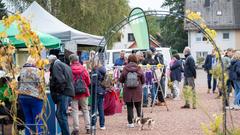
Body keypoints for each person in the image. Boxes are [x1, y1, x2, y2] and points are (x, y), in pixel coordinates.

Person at [48, 55, 75, 135]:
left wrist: (58, 92)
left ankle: (66, 133)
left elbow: (60, 81)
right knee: (61, 114)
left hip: (64, 93)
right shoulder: (64, 65)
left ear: (50, 62)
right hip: (68, 92)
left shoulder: (56, 65)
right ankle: (65, 133)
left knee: (60, 115)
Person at [18, 56, 44, 135]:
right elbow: (41, 84)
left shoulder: (21, 70)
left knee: (28, 119)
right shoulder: (36, 71)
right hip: (34, 96)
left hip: (23, 96)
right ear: (35, 62)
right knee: (37, 119)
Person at [119, 54, 145, 128]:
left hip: (128, 90)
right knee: (138, 106)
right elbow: (143, 80)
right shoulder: (139, 68)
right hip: (137, 90)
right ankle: (141, 121)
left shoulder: (125, 68)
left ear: (129, 60)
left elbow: (121, 79)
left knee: (129, 106)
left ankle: (131, 123)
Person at [69, 54, 91, 134]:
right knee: (85, 110)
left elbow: (68, 81)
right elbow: (88, 81)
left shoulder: (69, 69)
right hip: (84, 92)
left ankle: (76, 129)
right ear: (78, 60)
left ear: (71, 60)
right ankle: (88, 128)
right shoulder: (83, 68)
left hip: (74, 93)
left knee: (75, 111)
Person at [91, 57, 106, 130]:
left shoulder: (95, 70)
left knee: (94, 108)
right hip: (102, 90)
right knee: (101, 108)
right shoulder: (103, 69)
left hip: (96, 90)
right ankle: (102, 125)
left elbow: (93, 82)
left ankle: (93, 125)